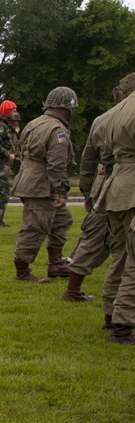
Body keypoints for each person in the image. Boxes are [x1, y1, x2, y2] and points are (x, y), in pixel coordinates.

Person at [64, 74, 135, 307]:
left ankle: (85, 294)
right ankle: (76, 290)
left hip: (108, 185)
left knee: (111, 247)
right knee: (102, 242)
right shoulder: (117, 116)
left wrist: (87, 191)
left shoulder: (106, 117)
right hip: (120, 184)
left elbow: (91, 158)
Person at [10, 87, 77, 282]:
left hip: (29, 180)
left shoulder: (33, 124)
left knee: (62, 220)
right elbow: (56, 164)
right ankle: (22, 272)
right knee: (34, 227)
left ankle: (56, 263)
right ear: (66, 108)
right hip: (41, 185)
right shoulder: (57, 130)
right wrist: (61, 191)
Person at [97, 79, 135, 343]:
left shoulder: (117, 109)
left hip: (117, 188)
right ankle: (124, 325)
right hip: (132, 187)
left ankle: (111, 314)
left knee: (120, 255)